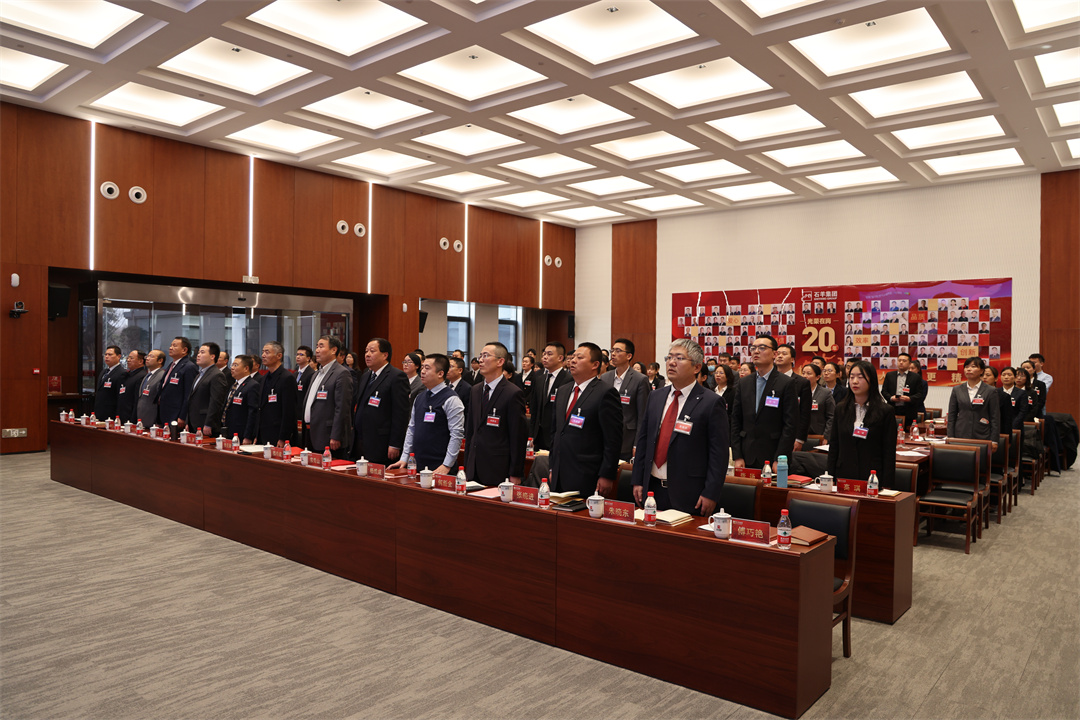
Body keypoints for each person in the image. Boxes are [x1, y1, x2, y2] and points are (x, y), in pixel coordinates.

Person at [632, 339, 728, 516]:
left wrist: (711, 492)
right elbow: (644, 440)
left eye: (679, 358)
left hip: (690, 492)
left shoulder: (711, 402)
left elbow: (718, 454)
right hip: (652, 488)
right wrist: (638, 480)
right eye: (669, 357)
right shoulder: (655, 396)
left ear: (696, 367)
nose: (672, 362)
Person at [550, 343, 622, 498]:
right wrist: (552, 467)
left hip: (587, 473)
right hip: (559, 472)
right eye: (573, 357)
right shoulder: (563, 391)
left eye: (579, 357)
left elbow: (613, 440)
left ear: (595, 365)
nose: (573, 360)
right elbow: (556, 432)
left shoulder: (606, 393)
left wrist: (607, 474)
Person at [731, 335, 798, 470]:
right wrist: (737, 456)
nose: (756, 351)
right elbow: (735, 420)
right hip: (746, 454)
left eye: (762, 348)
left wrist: (780, 458)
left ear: (774, 354)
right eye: (753, 348)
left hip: (773, 454)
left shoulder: (786, 383)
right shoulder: (743, 383)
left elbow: (790, 425)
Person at [465, 342, 527, 486]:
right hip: (474, 466)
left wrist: (515, 473)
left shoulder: (513, 393)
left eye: (485, 356)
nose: (480, 360)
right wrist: (467, 464)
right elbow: (471, 430)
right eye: (480, 356)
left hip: (498, 468)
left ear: (500, 361)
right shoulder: (475, 390)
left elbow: (518, 437)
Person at [391, 354, 465, 475]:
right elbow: (412, 428)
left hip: (440, 466)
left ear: (440, 373)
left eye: (427, 368)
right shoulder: (419, 397)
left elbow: (456, 434)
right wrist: (404, 457)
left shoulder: (451, 399)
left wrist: (447, 465)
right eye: (422, 367)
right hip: (417, 463)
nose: (422, 371)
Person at [827, 360, 895, 487]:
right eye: (852, 377)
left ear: (872, 380)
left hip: (872, 477)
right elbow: (834, 446)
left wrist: (887, 485)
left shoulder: (885, 411)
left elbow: (889, 452)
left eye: (860, 377)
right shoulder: (841, 409)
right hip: (844, 475)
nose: (854, 381)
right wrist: (830, 477)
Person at [352, 338, 410, 465]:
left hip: (381, 443)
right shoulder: (366, 376)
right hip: (360, 440)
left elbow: (401, 414)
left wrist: (395, 444)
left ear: (385, 355)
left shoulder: (396, 377)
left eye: (372, 351)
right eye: (366, 351)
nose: (367, 355)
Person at [301, 335, 354, 457]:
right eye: (316, 346)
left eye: (321, 346)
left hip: (328, 436)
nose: (317, 350)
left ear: (334, 350)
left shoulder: (341, 373)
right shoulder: (316, 374)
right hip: (310, 432)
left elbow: (342, 408)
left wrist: (336, 435)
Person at [600, 338, 651, 460]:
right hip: (604, 437)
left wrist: (637, 443)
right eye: (612, 350)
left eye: (618, 351)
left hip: (627, 439)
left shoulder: (640, 379)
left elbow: (642, 415)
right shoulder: (605, 377)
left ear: (629, 356)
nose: (613, 354)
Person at [244, 341, 297, 447]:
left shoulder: (287, 378)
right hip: (263, 433)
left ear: (279, 356)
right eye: (263, 352)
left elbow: (289, 411)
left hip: (277, 434)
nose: (263, 355)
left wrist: (283, 438)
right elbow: (260, 408)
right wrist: (256, 434)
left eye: (267, 352)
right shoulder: (264, 378)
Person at [947, 357, 1000, 449]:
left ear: (981, 371)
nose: (969, 369)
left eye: (973, 366)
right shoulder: (957, 389)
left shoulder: (991, 390)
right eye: (966, 367)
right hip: (960, 433)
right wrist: (950, 436)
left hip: (982, 434)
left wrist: (994, 440)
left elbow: (995, 417)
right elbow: (952, 415)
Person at [532, 342, 571, 451]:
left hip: (556, 435)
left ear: (560, 358)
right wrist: (531, 435)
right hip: (538, 435)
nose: (545, 357)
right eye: (544, 354)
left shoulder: (569, 379)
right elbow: (534, 408)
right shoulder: (539, 378)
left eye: (549, 354)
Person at [186, 341, 230, 437]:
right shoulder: (199, 374)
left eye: (202, 352)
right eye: (198, 352)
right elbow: (192, 399)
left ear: (212, 356)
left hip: (205, 424)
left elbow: (216, 402)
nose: (198, 355)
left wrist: (209, 423)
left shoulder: (217, 375)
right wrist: (187, 421)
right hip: (193, 423)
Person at [774, 343, 811, 452]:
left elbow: (805, 413)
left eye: (784, 354)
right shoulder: (769, 380)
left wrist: (799, 439)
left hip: (791, 434)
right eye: (778, 353)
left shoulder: (802, 383)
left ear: (792, 359)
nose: (780, 356)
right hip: (771, 433)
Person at [157, 336, 198, 429]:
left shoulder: (189, 367)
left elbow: (188, 394)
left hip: (176, 415)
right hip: (164, 413)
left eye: (174, 346)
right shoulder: (171, 365)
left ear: (184, 350)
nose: (170, 348)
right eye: (171, 345)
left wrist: (182, 416)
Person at [881, 352, 926, 431]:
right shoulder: (890, 375)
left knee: (908, 434)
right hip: (892, 410)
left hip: (909, 411)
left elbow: (920, 394)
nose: (901, 362)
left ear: (909, 364)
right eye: (899, 360)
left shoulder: (915, 377)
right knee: (890, 432)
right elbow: (884, 391)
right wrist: (891, 398)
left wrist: (909, 398)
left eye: (904, 361)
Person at [222, 354, 261, 442]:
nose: (232, 368)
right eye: (232, 365)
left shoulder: (252, 385)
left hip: (241, 433)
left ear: (246, 368)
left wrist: (248, 436)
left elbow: (253, 413)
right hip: (229, 431)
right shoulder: (234, 385)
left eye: (236, 365)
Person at [801, 363, 835, 439]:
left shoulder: (825, 393)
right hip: (800, 434)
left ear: (817, 377)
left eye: (809, 373)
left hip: (819, 435)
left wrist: (826, 436)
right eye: (803, 373)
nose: (805, 376)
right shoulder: (797, 391)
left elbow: (831, 417)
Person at [136, 349, 167, 428]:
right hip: (142, 417)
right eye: (147, 356)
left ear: (160, 360)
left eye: (151, 356)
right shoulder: (148, 375)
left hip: (153, 420)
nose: (147, 358)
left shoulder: (162, 375)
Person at [94, 345, 126, 420]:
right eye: (105, 354)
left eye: (110, 355)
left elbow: (120, 398)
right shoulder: (104, 372)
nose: (107, 357)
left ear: (119, 356)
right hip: (99, 412)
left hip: (111, 415)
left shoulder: (122, 373)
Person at [116, 350, 146, 424]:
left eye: (131, 358)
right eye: (128, 358)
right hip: (122, 415)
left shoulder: (141, 376)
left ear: (140, 361)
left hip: (130, 417)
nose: (128, 360)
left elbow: (136, 400)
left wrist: (132, 419)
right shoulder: (128, 375)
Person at [983, 366, 1013, 435]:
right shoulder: (975, 395)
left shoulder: (1004, 396)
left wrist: (1007, 438)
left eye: (988, 375)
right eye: (982, 375)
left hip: (996, 432)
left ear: (996, 378)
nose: (984, 377)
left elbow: (1007, 421)